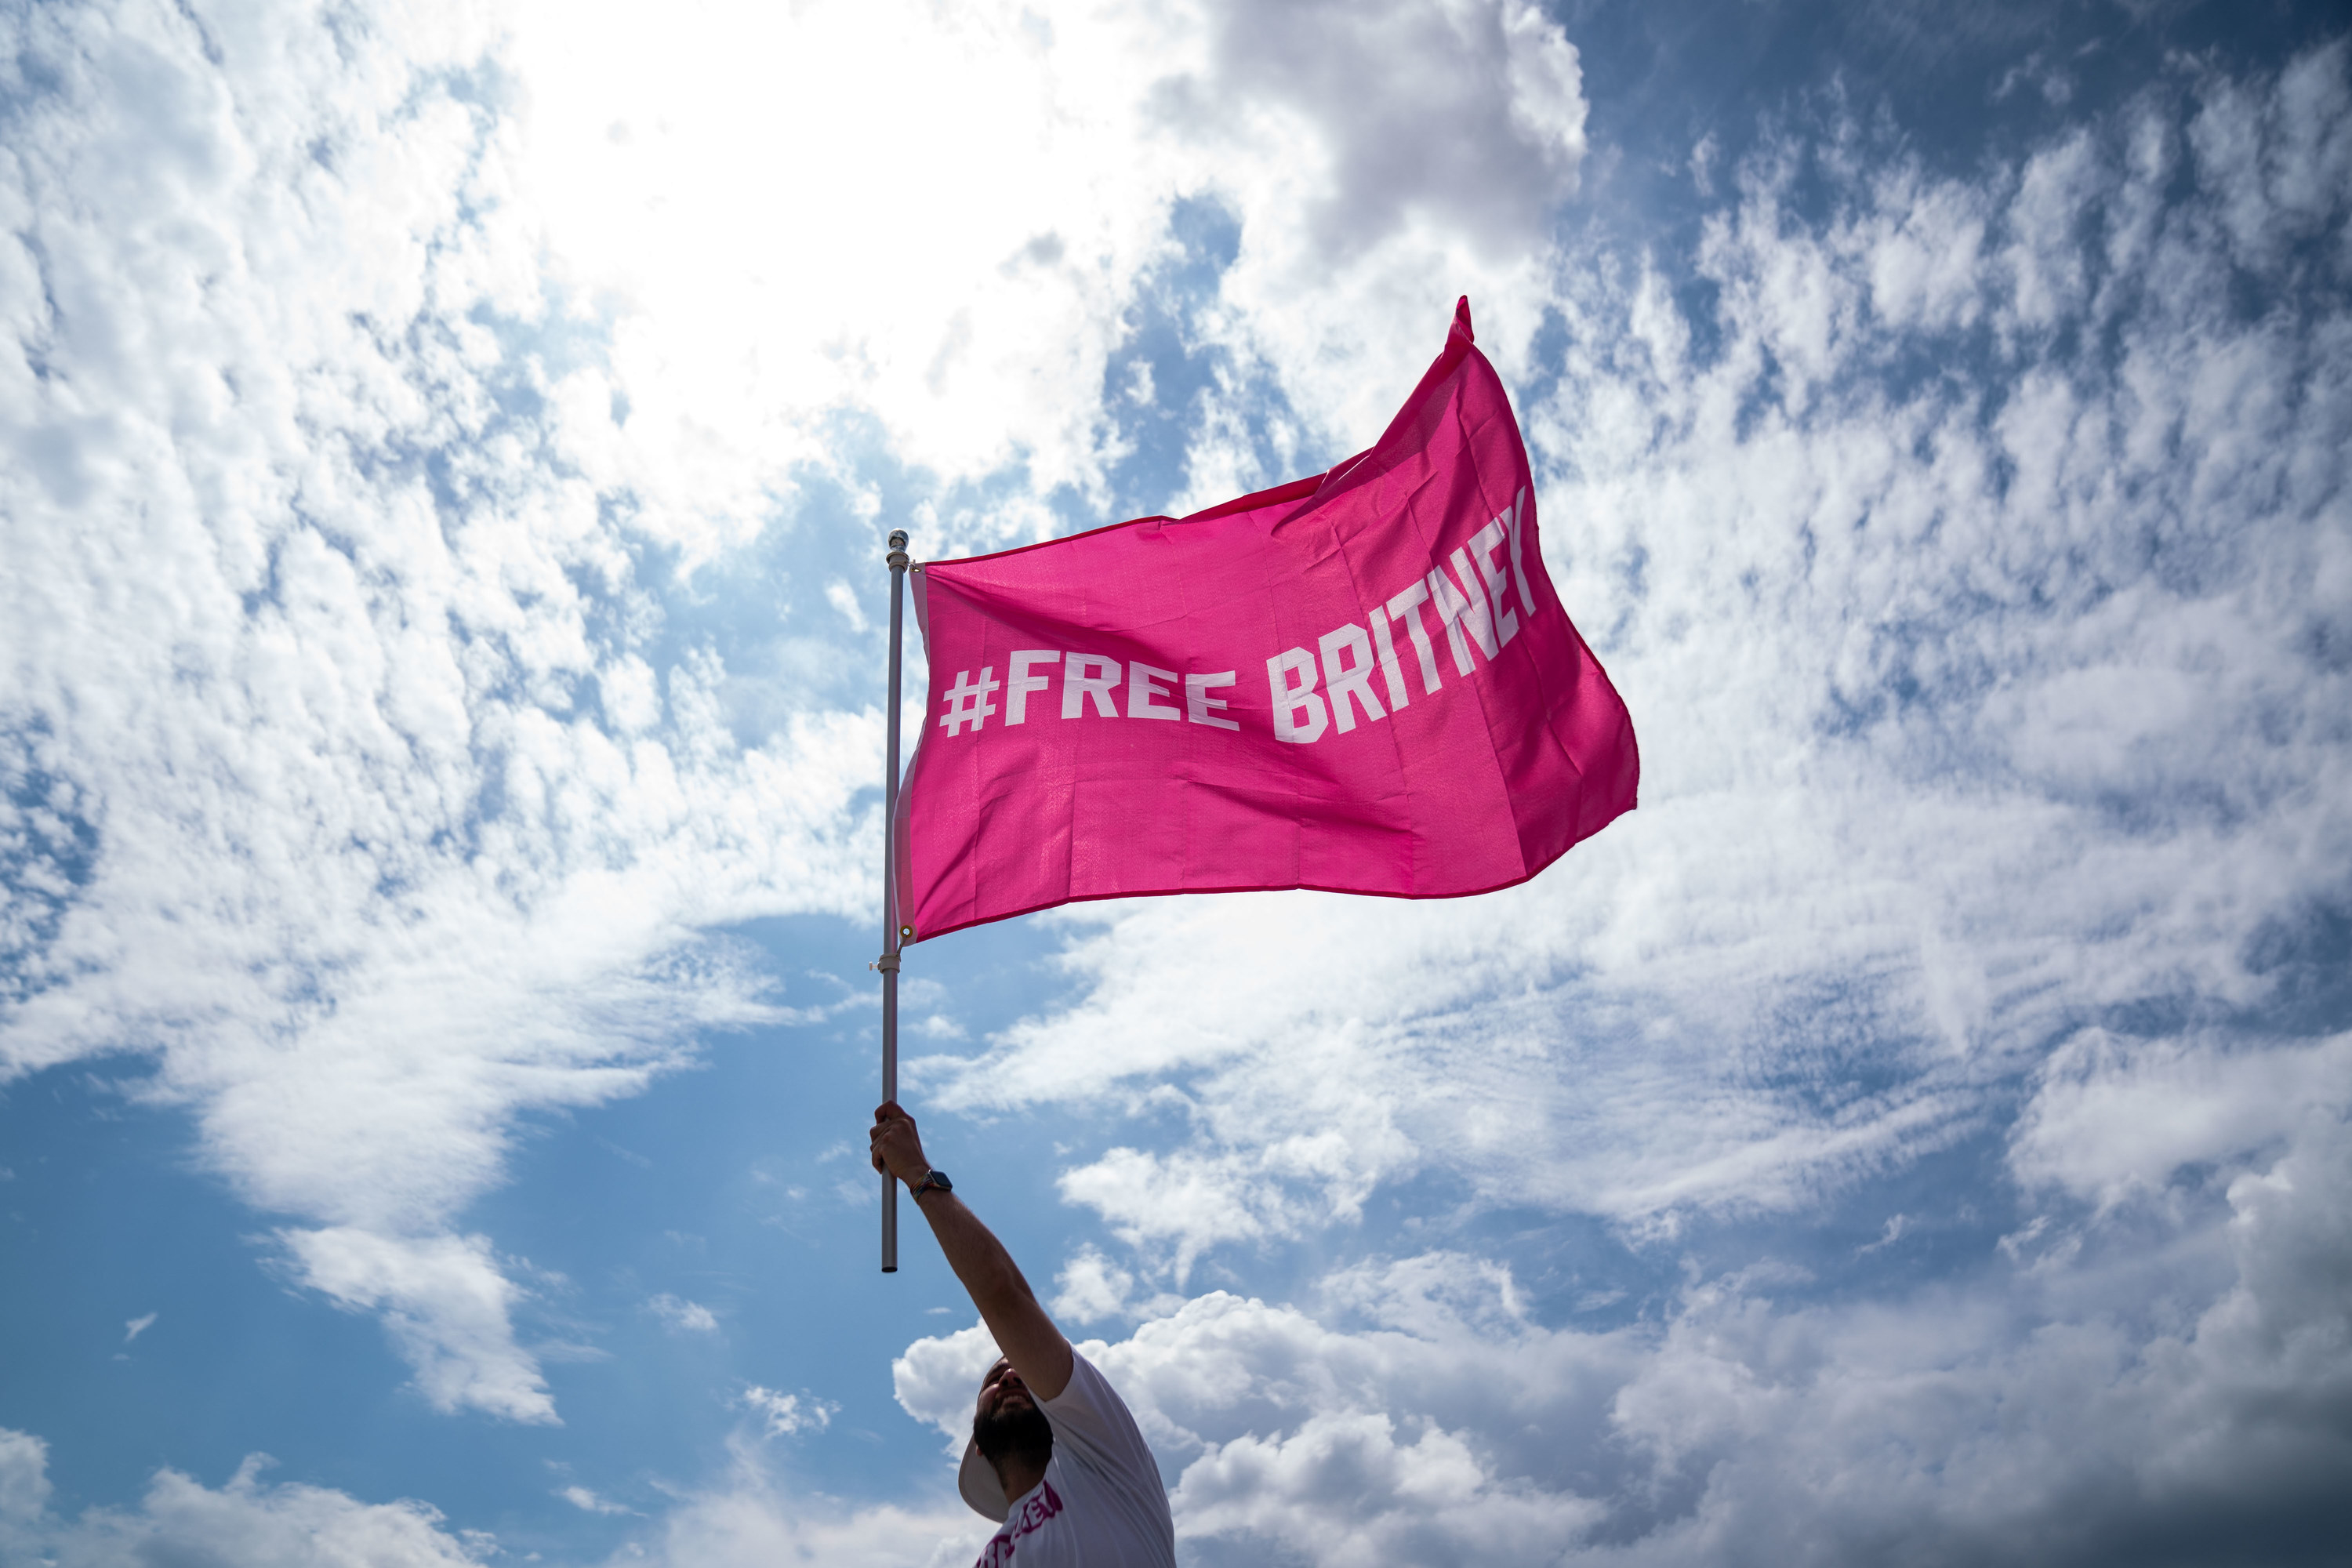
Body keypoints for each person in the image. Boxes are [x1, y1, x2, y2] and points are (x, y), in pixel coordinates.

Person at [870, 1101, 1177, 1566]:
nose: (1010, 1378)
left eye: (1021, 1370)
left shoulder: (1105, 1460)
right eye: (995, 1378)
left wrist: (917, 1173)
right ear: (975, 1443)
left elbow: (1003, 1293)